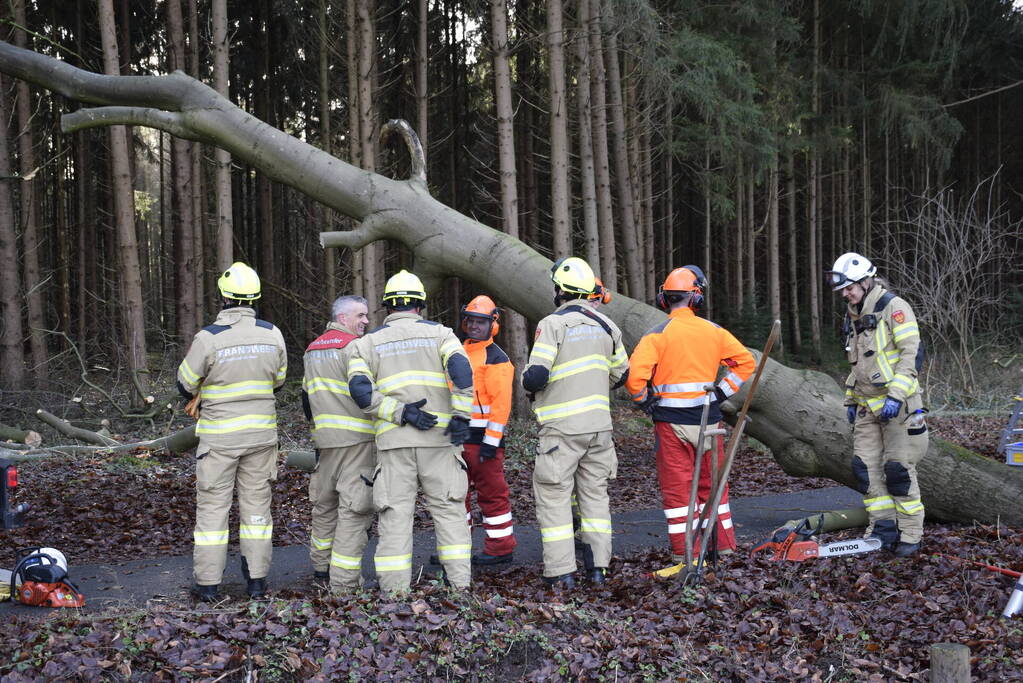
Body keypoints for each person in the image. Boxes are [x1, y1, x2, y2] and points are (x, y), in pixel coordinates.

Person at [346, 270, 475, 593]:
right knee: (449, 513)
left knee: (394, 518)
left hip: (394, 445)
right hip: (440, 442)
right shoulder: (442, 334)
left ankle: (395, 594)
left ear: (388, 307)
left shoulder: (366, 343)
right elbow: (460, 370)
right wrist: (461, 415)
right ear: (420, 305)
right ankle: (460, 589)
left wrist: (401, 412)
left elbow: (361, 392)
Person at [625, 266, 754, 565]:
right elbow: (745, 363)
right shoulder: (714, 332)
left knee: (679, 493)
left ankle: (688, 554)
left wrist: (646, 403)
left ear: (664, 299)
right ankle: (723, 547)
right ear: (696, 298)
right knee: (715, 489)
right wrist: (721, 393)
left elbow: (634, 380)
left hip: (671, 425)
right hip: (709, 421)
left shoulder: (657, 335)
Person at [176, 262, 288, 601]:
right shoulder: (273, 333)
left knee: (213, 508)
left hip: (220, 439)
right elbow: (279, 381)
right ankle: (256, 581)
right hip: (260, 437)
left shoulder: (208, 338)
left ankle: (208, 584)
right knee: (256, 509)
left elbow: (185, 384)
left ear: (224, 297)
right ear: (254, 297)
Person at [522, 257, 629, 589]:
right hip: (599, 429)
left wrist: (528, 381)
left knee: (554, 498)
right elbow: (622, 374)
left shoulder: (552, 325)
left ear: (560, 291)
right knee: (595, 498)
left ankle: (561, 572)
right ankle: (598, 569)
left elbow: (536, 375)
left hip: (561, 430)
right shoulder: (608, 326)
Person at [827, 252, 928, 557]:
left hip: (898, 405)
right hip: (866, 406)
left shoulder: (894, 308)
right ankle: (883, 528)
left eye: (849, 288)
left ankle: (911, 534)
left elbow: (912, 355)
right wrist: (850, 398)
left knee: (897, 470)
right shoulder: (853, 313)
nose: (846, 294)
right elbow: (858, 363)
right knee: (864, 469)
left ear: (866, 280)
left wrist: (896, 395)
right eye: (843, 290)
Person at [302, 294, 376, 593]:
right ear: (343, 318)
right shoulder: (355, 347)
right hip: (357, 440)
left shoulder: (312, 349)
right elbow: (367, 393)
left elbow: (307, 398)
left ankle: (321, 567)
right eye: (360, 315)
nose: (366, 321)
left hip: (325, 442)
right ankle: (344, 582)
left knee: (324, 506)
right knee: (354, 510)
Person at [459, 295, 517, 565]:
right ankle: (457, 547)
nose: (474, 326)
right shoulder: (458, 351)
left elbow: (501, 405)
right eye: (471, 320)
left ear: (492, 324)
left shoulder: (497, 358)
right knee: (456, 496)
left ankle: (500, 547)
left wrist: (491, 442)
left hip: (484, 442)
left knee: (492, 494)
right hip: (459, 439)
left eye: (480, 322)